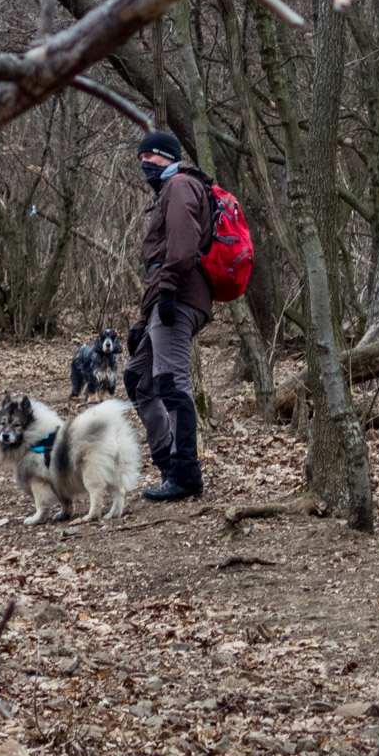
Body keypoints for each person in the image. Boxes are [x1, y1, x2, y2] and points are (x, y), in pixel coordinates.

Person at [125, 130, 214, 501]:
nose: (146, 163)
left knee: (171, 384)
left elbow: (180, 249)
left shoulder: (179, 186)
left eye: (153, 157)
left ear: (170, 158)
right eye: (141, 158)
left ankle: (185, 476)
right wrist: (142, 323)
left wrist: (168, 293)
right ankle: (168, 465)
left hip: (179, 299)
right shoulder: (168, 191)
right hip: (164, 301)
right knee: (138, 379)